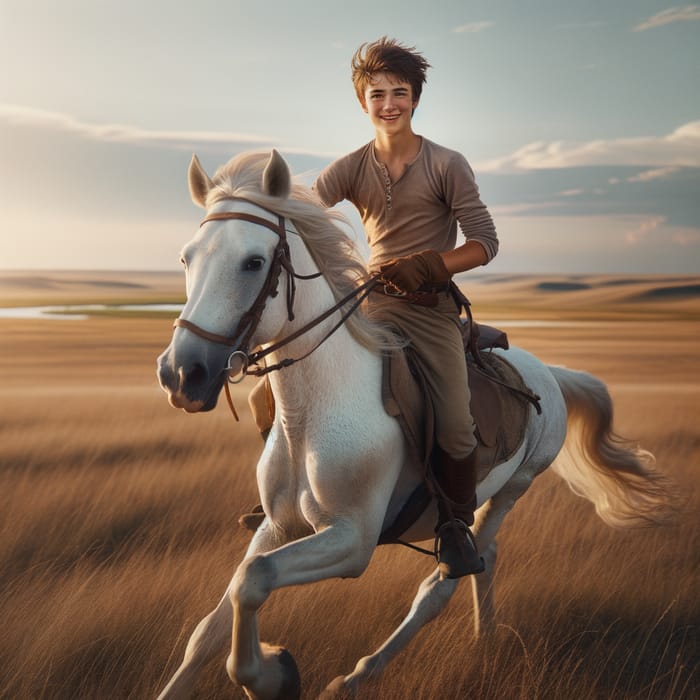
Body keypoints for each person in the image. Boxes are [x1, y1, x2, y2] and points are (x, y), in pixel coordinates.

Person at [313, 37, 499, 579]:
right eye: (377, 94)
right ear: (362, 102)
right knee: (270, 394)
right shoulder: (349, 167)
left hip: (428, 310)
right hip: (367, 305)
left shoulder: (447, 164)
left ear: (416, 99)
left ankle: (454, 525)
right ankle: (289, 496)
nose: (389, 103)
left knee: (456, 426)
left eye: (400, 92)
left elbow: (486, 242)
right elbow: (302, 214)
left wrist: (432, 266)